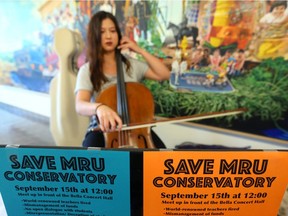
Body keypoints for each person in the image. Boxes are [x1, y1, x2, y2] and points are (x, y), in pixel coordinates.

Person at [75, 11, 170, 148]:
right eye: (102, 32)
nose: (108, 36)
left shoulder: (131, 65)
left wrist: (140, 50)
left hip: (138, 129)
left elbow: (164, 74)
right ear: (95, 36)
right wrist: (99, 107)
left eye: (112, 31)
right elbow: (80, 105)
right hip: (104, 129)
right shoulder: (87, 70)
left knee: (161, 159)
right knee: (91, 161)